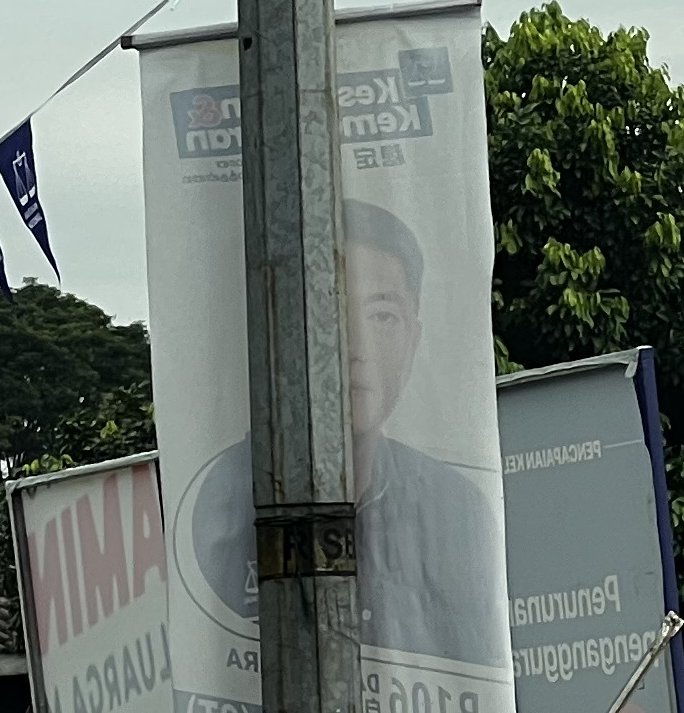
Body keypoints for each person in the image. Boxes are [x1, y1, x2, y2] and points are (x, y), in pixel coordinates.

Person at [183, 200, 505, 669]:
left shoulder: (458, 510)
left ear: (413, 341)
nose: (356, 348)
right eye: (327, 314)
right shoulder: (216, 500)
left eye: (381, 318)